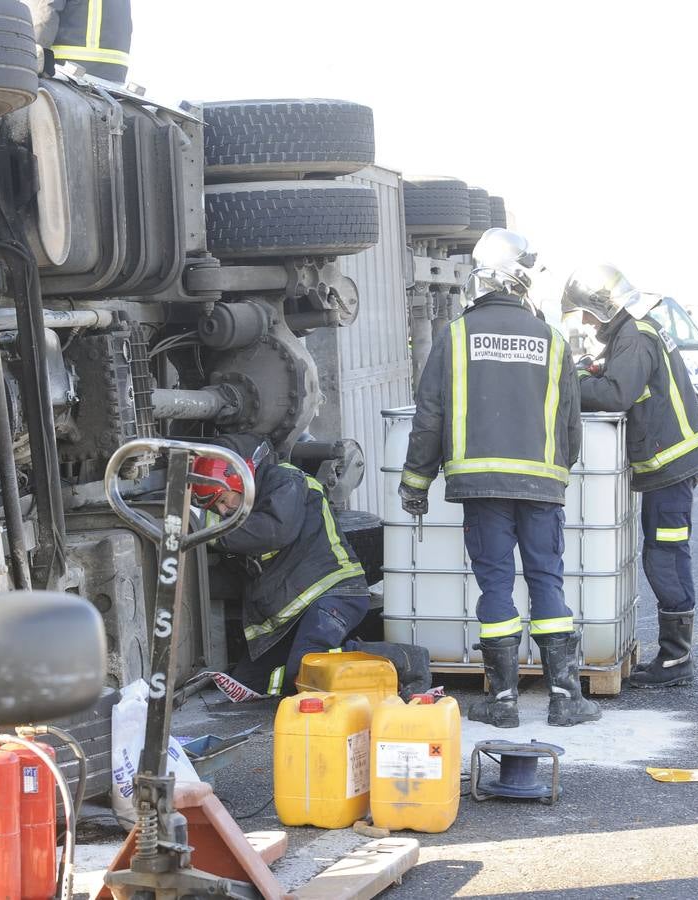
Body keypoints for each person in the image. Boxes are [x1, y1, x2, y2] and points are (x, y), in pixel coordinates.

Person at [400, 227, 598, 729]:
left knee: (495, 586)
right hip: (542, 487)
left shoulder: (456, 336)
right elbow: (571, 425)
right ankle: (564, 698)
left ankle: (503, 701)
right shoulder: (553, 341)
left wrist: (415, 483)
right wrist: (556, 471)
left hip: (480, 487)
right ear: (521, 280)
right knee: (547, 581)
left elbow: (430, 417)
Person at [562, 265, 698, 689]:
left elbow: (616, 393)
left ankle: (676, 660)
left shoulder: (632, 336)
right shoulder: (637, 331)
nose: (588, 323)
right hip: (672, 461)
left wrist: (571, 382)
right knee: (663, 553)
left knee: (665, 556)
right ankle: (675, 656)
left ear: (603, 306)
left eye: (588, 315)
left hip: (671, 464)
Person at [193, 435, 430, 699]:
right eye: (218, 507)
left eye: (225, 500)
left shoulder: (284, 480)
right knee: (246, 684)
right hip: (292, 613)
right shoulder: (246, 517)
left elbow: (275, 531)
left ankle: (406, 659)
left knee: (309, 663)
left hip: (333, 592)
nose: (225, 511)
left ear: (239, 478)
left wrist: (207, 530)